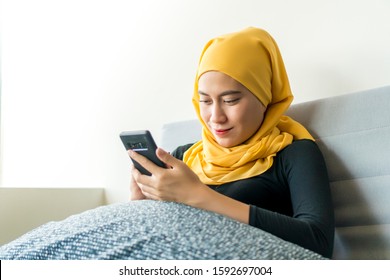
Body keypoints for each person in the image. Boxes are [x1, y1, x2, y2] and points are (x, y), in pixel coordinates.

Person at [128, 27, 335, 258]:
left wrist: (199, 196)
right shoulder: (184, 157)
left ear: (264, 96)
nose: (215, 117)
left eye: (230, 100)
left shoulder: (294, 152)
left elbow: (319, 241)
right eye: (205, 101)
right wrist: (140, 207)